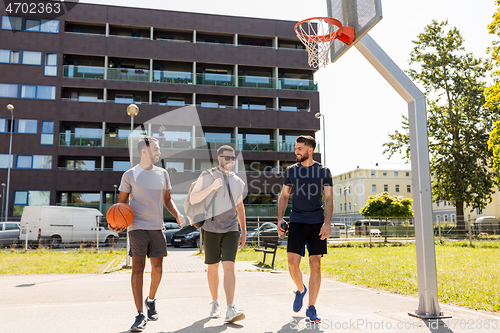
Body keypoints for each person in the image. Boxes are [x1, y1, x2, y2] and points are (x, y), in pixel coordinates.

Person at [109, 136, 185, 332]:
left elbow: (167, 199)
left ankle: (150, 300)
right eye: (156, 149)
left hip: (157, 226)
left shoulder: (162, 174)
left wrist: (177, 214)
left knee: (158, 268)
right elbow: (121, 205)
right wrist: (116, 224)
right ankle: (140, 314)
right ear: (144, 151)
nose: (159, 152)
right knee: (138, 268)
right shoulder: (130, 175)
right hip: (137, 227)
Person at [277, 135, 333, 324]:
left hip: (317, 223)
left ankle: (311, 307)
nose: (296, 151)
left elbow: (329, 198)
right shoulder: (291, 171)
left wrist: (327, 222)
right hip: (297, 222)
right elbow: (284, 196)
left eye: (299, 148)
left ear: (310, 150)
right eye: (295, 148)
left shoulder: (324, 171)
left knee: (315, 264)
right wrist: (279, 219)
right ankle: (301, 290)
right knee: (292, 263)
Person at [189, 145, 247, 323]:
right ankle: (215, 303)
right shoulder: (207, 175)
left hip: (230, 228)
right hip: (210, 228)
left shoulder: (238, 181)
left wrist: (243, 231)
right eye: (226, 157)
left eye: (232, 157)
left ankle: (230, 308)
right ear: (219, 157)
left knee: (229, 266)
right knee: (213, 266)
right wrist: (212, 187)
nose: (230, 160)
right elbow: (193, 198)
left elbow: (239, 207)